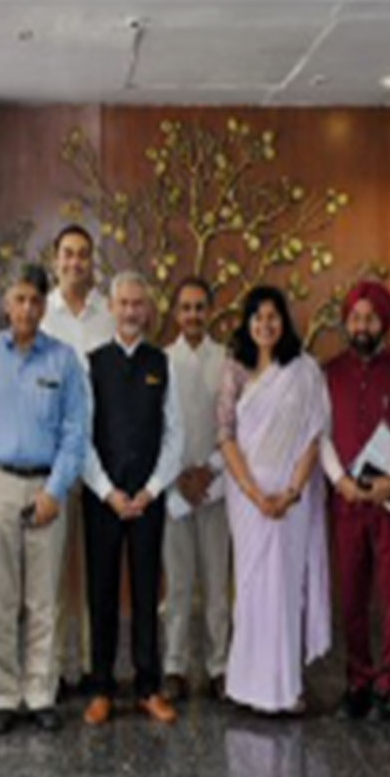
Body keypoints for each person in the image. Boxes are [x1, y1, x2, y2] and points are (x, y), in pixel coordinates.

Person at [0, 263, 90, 733]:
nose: (27, 309)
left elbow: (76, 433)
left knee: (44, 598)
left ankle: (39, 693)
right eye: (19, 299)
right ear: (6, 302)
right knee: (2, 598)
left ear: (43, 305)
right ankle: (2, 695)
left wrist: (56, 490)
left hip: (47, 487)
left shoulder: (64, 360)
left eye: (35, 300)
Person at [217, 286, 331, 715]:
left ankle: (285, 688)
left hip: (291, 495)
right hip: (247, 496)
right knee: (251, 589)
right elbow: (226, 436)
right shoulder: (234, 369)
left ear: (284, 321)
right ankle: (247, 686)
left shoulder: (304, 370)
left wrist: (292, 492)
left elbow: (313, 436)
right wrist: (254, 493)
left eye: (273, 316)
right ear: (247, 323)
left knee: (285, 587)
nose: (265, 324)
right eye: (257, 317)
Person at [80, 271, 183, 726]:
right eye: (123, 303)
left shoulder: (162, 363)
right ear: (111, 308)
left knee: (146, 593)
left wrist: (152, 489)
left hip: (147, 498)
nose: (130, 311)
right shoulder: (92, 363)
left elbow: (175, 435)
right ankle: (101, 687)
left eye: (138, 303)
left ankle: (147, 687)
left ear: (148, 309)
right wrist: (107, 492)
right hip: (103, 499)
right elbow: (81, 437)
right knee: (101, 592)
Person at [320, 279, 390, 722]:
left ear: (385, 323)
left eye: (370, 318)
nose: (361, 325)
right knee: (352, 594)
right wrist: (339, 480)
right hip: (347, 499)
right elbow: (320, 434)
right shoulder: (330, 372)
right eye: (355, 317)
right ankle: (358, 680)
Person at [40, 224, 114, 699]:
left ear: (92, 262)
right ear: (55, 260)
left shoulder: (109, 313)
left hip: (104, 458)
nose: (75, 262)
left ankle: (92, 665)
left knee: (97, 570)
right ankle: (54, 671)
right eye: (67, 253)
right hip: (57, 459)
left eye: (83, 254)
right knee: (53, 572)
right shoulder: (41, 315)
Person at [162, 277, 233, 702]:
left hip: (216, 486)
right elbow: (156, 429)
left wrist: (209, 471)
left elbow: (236, 425)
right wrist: (177, 476)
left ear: (210, 311)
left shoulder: (227, 360)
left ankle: (219, 664)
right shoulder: (162, 361)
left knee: (217, 583)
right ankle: (174, 665)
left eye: (199, 307)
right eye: (185, 308)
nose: (192, 315)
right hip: (174, 489)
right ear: (176, 314)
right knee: (178, 584)